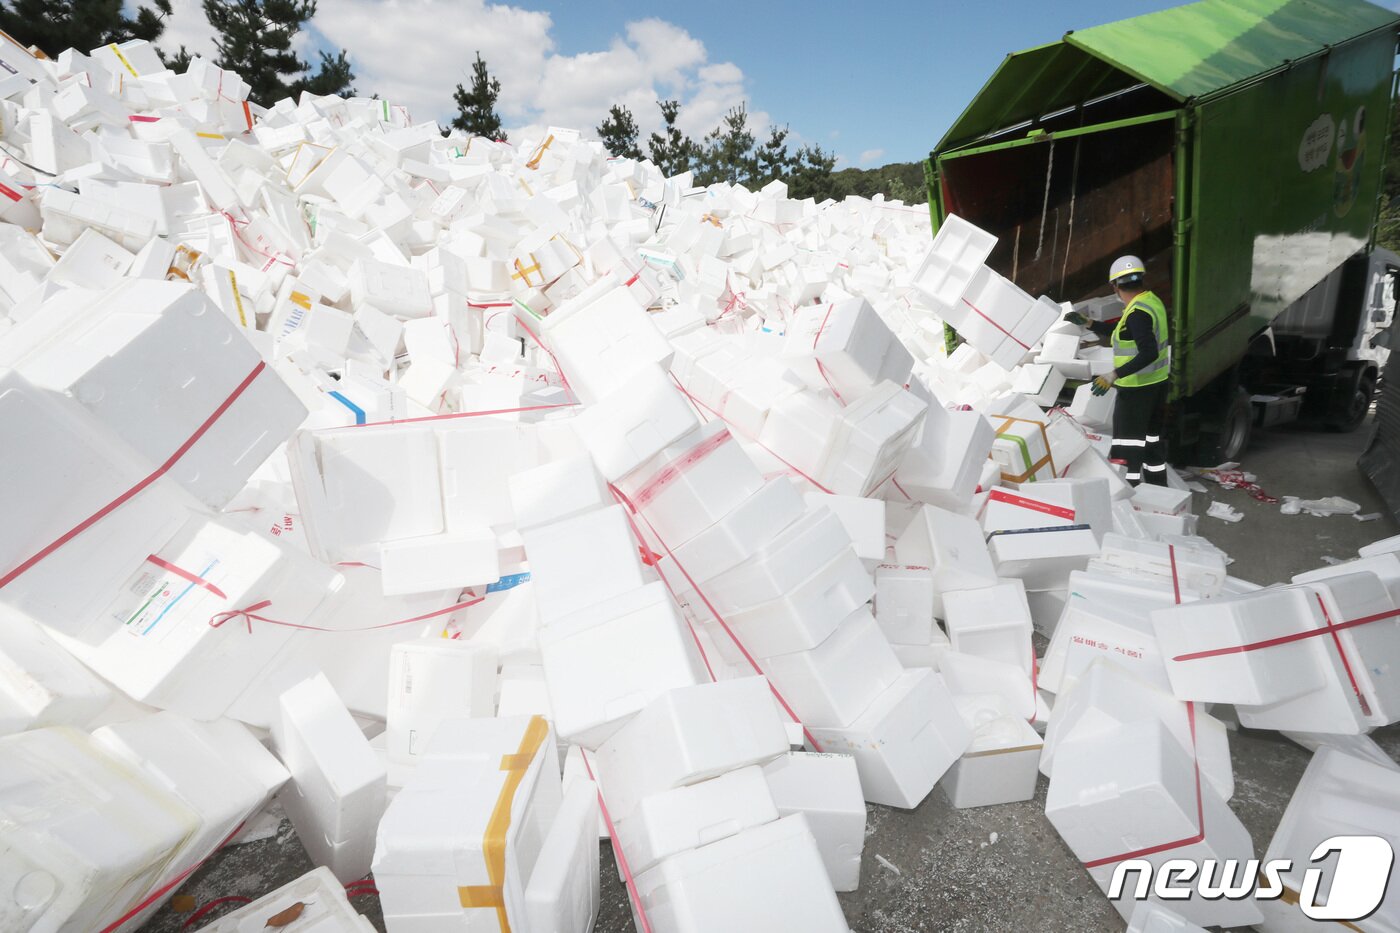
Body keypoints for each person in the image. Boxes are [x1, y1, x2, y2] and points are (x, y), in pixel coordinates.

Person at [1064, 255, 1171, 486]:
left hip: (1136, 393)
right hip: (1157, 386)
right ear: (1141, 280)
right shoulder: (1150, 302)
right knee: (1152, 442)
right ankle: (1159, 490)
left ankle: (1128, 494)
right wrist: (1089, 323)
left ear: (1114, 286)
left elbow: (1148, 352)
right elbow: (1124, 331)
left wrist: (1113, 375)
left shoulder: (1137, 313)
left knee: (1127, 447)